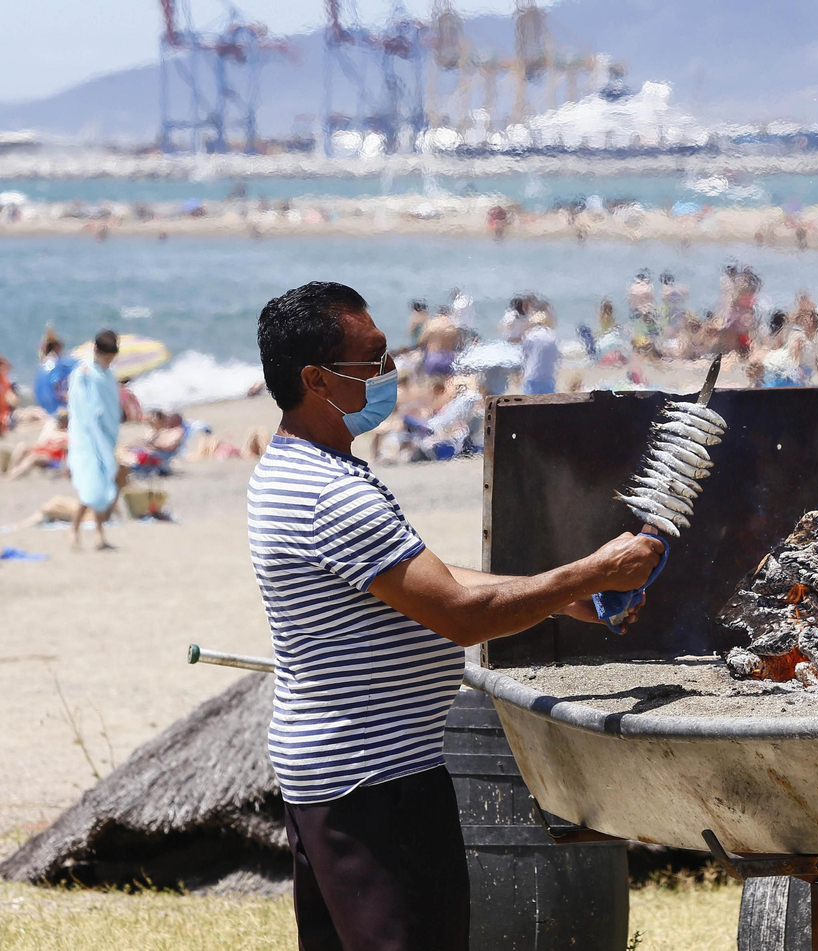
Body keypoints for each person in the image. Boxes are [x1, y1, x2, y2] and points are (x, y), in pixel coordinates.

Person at [248, 282, 662, 951]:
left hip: (336, 773)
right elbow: (459, 615)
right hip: (374, 781)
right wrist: (592, 570)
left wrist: (562, 595)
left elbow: (421, 580)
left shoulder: (296, 468)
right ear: (315, 379)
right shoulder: (330, 495)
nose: (389, 374)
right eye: (372, 359)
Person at [66, 330, 123, 551]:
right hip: (87, 438)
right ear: (97, 352)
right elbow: (80, 409)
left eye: (112, 359)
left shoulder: (109, 374)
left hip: (107, 436)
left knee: (103, 483)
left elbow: (111, 405)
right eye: (106, 357)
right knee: (91, 486)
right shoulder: (84, 373)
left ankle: (99, 535)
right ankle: (74, 529)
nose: (109, 362)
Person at [33, 330, 78, 415]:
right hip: (57, 410)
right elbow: (57, 388)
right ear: (57, 347)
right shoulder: (60, 365)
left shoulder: (41, 368)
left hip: (44, 410)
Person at [521, 312, 560, 395]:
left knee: (529, 403)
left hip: (532, 375)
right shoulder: (551, 336)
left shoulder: (530, 336)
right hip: (548, 376)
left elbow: (525, 354)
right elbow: (555, 356)